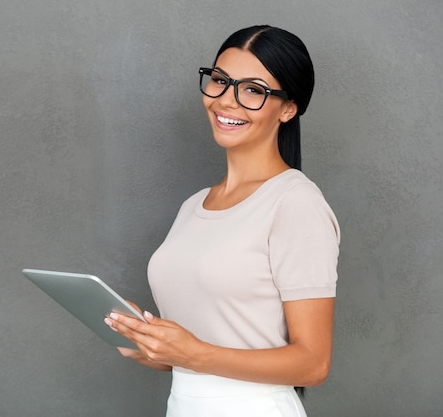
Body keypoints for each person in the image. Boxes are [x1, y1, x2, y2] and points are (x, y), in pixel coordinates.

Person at [104, 25, 340, 417]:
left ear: (288, 107)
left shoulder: (295, 203)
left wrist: (196, 353)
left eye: (252, 90)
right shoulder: (195, 205)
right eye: (219, 81)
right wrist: (144, 342)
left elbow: (314, 364)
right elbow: (194, 357)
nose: (226, 101)